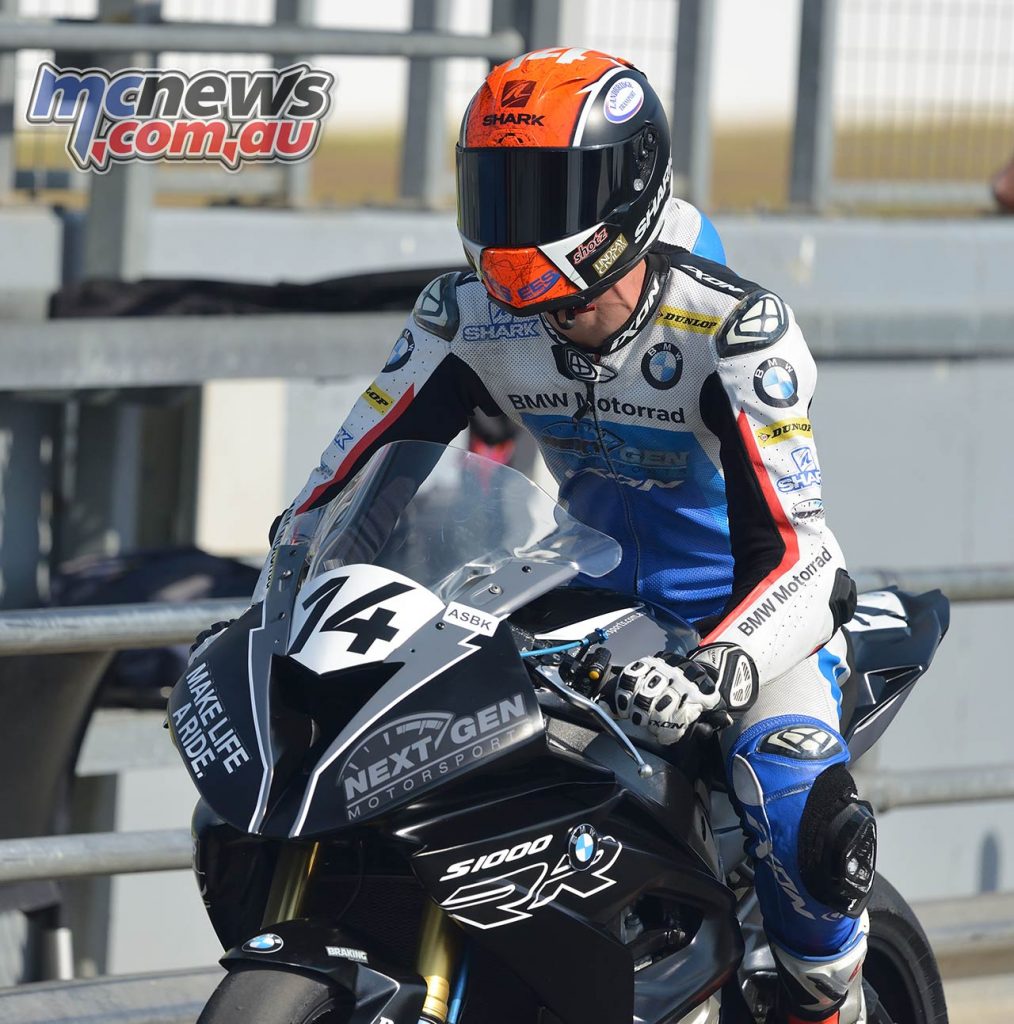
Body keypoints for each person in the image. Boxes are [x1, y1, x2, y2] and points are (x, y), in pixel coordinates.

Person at [259, 49, 874, 1024]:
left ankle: (828, 1005)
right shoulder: (463, 313)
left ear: (627, 187)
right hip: (587, 593)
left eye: (548, 190)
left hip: (747, 618)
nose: (515, 225)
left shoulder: (736, 327)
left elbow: (804, 552)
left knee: (793, 795)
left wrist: (720, 668)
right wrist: (287, 587)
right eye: (497, 189)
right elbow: (351, 481)